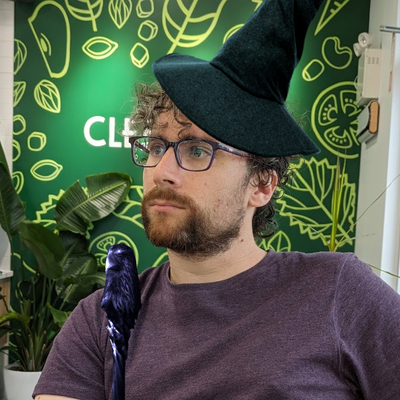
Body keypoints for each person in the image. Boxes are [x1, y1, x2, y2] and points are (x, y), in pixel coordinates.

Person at [33, 0, 400, 399]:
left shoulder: (339, 294)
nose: (161, 171)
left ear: (262, 185)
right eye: (156, 146)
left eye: (196, 150)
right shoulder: (100, 321)